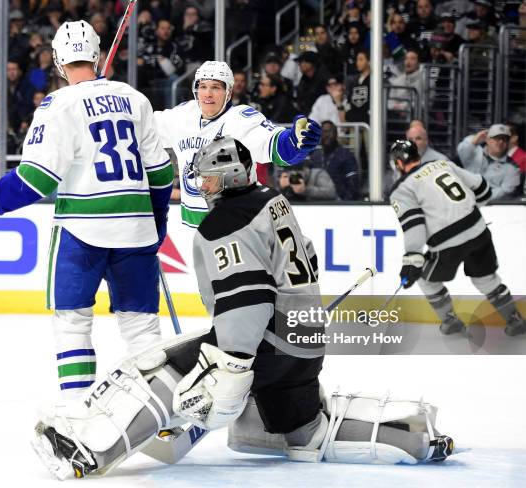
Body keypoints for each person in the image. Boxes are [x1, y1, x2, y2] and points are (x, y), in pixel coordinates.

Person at [31, 136, 454, 479]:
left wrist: (231, 365)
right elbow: (306, 258)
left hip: (267, 340)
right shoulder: (272, 199)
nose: (201, 186)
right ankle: (412, 436)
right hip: (306, 339)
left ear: (229, 176)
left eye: (209, 180)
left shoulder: (223, 223)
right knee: (307, 434)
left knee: (161, 370)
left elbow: (246, 297)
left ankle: (87, 449)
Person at [0, 20, 173, 400]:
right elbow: (162, 172)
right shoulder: (135, 99)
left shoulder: (58, 105)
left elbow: (35, 181)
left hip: (81, 231)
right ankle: (160, 410)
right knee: (141, 327)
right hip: (136, 229)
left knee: (73, 322)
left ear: (57, 62)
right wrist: (155, 223)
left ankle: (78, 410)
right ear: (97, 54)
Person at [153, 60, 322, 227]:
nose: (208, 94)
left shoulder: (241, 120)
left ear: (229, 91)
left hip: (237, 227)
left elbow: (276, 147)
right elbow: (143, 127)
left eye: (215, 87)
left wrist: (294, 143)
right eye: (203, 86)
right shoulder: (182, 115)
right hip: (193, 228)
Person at [389, 139, 526, 336]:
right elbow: (482, 188)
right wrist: (464, 212)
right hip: (478, 229)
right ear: (417, 156)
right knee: (485, 278)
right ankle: (514, 319)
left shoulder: (401, 190)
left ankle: (450, 319)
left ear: (399, 163)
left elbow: (414, 225)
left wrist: (412, 259)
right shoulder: (442, 164)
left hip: (447, 242)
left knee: (425, 279)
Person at [456, 124, 521, 201]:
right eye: (497, 138)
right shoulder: (474, 153)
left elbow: (506, 191)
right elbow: (461, 150)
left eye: (504, 139)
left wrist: (480, 197)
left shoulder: (513, 167)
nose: (500, 142)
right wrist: (474, 139)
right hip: (465, 202)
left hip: (491, 206)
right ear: (488, 140)